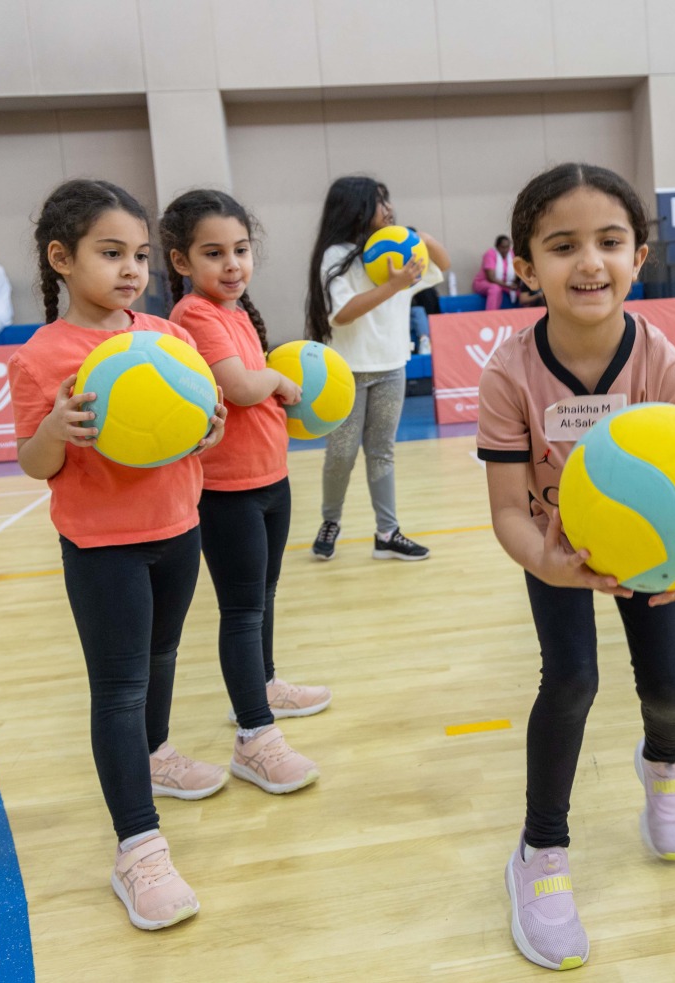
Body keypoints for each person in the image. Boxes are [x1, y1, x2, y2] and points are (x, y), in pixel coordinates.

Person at [477, 162, 675, 971]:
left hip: (647, 557)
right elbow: (511, 507)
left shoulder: (665, 370)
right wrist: (544, 560)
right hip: (555, 548)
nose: (590, 262)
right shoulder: (509, 374)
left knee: (672, 688)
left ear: (639, 254)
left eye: (610, 241)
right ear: (524, 265)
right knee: (572, 677)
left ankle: (663, 761)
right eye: (563, 245)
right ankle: (540, 850)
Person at [8, 178, 227, 931]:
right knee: (120, 688)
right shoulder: (44, 355)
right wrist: (53, 431)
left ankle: (156, 754)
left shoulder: (169, 337)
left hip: (179, 529)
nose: (131, 269)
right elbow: (34, 463)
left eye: (139, 254)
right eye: (111, 253)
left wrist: (208, 427)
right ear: (62, 258)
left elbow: (200, 432)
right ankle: (137, 845)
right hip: (103, 548)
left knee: (163, 659)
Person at [161, 189, 327, 795]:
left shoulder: (232, 312)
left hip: (268, 481)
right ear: (181, 262)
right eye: (214, 253)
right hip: (227, 490)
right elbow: (239, 387)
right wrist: (280, 378)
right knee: (242, 608)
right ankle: (254, 737)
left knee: (265, 592)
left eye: (241, 249)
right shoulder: (195, 316)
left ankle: (262, 686)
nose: (232, 264)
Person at [305, 176, 450, 561]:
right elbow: (342, 315)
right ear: (355, 208)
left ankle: (387, 533)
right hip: (346, 373)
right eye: (378, 201)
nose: (387, 207)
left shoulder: (396, 247)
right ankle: (330, 521)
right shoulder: (336, 255)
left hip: (391, 368)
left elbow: (443, 263)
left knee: (382, 452)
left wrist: (415, 234)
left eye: (387, 200)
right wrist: (394, 284)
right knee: (342, 453)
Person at [472, 234, 517, 310]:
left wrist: (516, 284)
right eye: (503, 247)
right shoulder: (490, 254)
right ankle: (491, 316)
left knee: (523, 293)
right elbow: (491, 278)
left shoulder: (511, 254)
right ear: (497, 246)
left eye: (507, 247)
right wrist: (508, 285)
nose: (506, 250)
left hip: (504, 284)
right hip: (483, 283)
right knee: (495, 289)